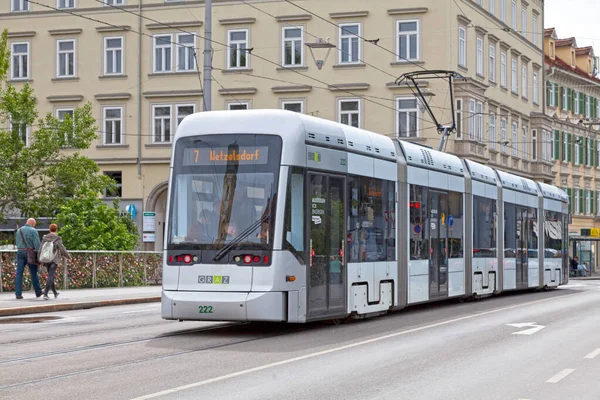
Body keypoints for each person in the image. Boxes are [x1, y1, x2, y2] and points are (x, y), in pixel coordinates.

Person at [40, 224, 71, 300]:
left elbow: (40, 249)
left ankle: (55, 293)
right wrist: (68, 256)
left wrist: (39, 259)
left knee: (50, 276)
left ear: (49, 230)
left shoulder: (44, 238)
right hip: (54, 260)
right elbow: (62, 249)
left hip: (46, 259)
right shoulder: (57, 239)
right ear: (56, 230)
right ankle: (46, 294)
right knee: (50, 276)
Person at [14, 218, 42, 299]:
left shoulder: (19, 230)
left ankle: (18, 294)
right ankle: (38, 292)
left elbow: (17, 242)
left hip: (20, 252)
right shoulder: (33, 231)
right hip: (30, 253)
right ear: (33, 224)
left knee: (19, 273)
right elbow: (37, 245)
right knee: (33, 273)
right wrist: (38, 255)